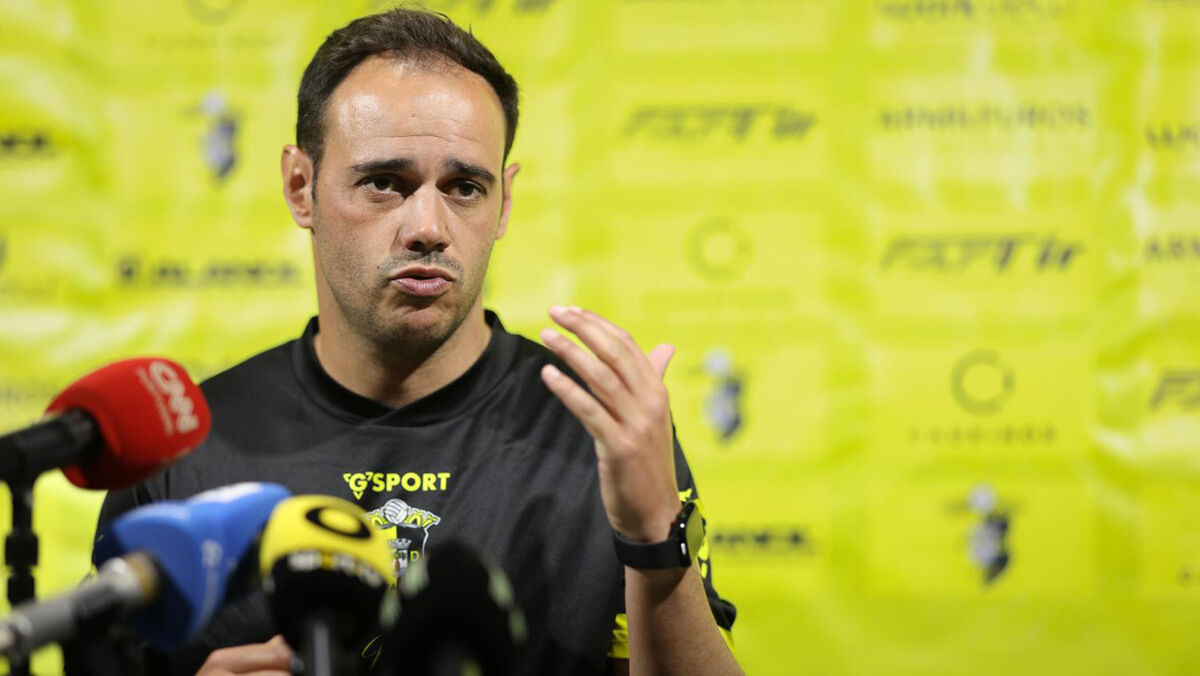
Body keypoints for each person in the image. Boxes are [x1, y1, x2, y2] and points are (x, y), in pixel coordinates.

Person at [94, 8, 740, 675]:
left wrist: (653, 539)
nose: (428, 227)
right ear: (300, 186)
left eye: (464, 187)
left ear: (504, 203)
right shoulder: (184, 453)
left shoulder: (599, 432)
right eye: (384, 183)